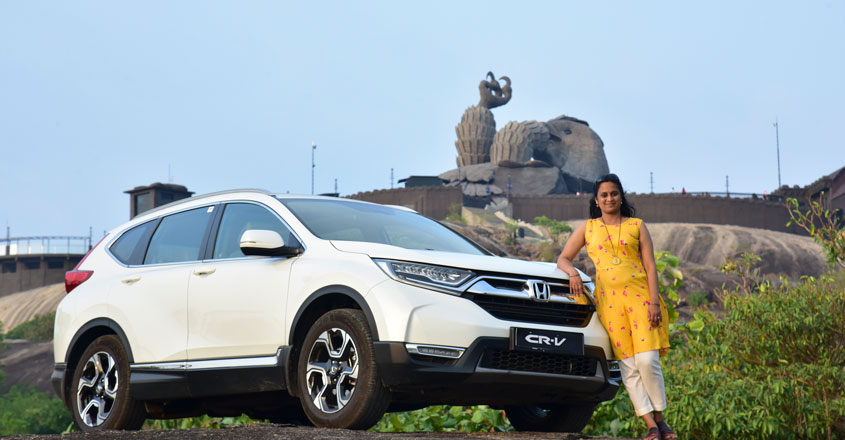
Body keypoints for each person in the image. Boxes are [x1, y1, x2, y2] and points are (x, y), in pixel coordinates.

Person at [557, 173, 677, 440]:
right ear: (596, 201)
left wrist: (655, 302)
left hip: (642, 300)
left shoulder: (636, 225)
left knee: (648, 361)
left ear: (620, 196)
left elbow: (650, 266)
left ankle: (660, 417)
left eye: (614, 193)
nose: (609, 198)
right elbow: (563, 258)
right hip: (610, 307)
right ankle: (651, 426)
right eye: (604, 195)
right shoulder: (588, 228)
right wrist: (574, 273)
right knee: (629, 367)